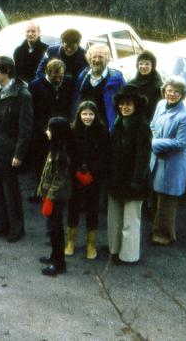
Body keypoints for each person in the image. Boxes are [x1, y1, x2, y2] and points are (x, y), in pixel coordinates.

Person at [0, 56, 33, 243]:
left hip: (9, 148)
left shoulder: (22, 95)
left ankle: (15, 228)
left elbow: (25, 128)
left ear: (7, 72)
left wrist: (19, 154)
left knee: (10, 191)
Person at [107, 84, 152, 264]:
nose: (124, 107)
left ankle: (129, 255)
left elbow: (144, 156)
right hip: (117, 178)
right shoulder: (119, 121)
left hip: (133, 180)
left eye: (128, 104)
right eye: (122, 104)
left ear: (136, 105)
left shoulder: (141, 125)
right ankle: (114, 248)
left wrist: (137, 180)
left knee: (130, 221)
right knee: (115, 218)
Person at [150, 76, 186, 246]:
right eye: (169, 90)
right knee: (157, 196)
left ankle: (166, 236)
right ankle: (157, 229)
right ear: (164, 91)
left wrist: (154, 143)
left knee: (167, 200)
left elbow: (181, 143)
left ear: (182, 94)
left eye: (176, 92)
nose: (172, 94)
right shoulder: (161, 105)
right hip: (159, 158)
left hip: (173, 162)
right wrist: (155, 139)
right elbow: (153, 125)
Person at [66, 101, 110, 259]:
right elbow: (68, 154)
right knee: (73, 208)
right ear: (79, 114)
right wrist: (76, 172)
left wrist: (92, 174)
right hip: (75, 176)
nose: (87, 117)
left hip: (94, 178)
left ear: (95, 115)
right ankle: (71, 241)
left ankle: (91, 244)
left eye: (91, 114)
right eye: (84, 114)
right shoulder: (72, 130)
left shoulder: (102, 131)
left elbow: (105, 156)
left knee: (92, 210)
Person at [28, 59, 74, 197]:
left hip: (63, 128)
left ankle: (59, 190)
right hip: (42, 130)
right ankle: (40, 189)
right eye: (55, 76)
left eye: (61, 76)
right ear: (47, 72)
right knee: (40, 161)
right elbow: (32, 111)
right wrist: (43, 129)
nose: (59, 79)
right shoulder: (35, 86)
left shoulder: (68, 82)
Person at [38, 117, 72, 276]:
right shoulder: (54, 149)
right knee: (51, 229)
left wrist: (50, 198)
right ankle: (54, 256)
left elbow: (60, 179)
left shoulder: (62, 154)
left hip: (56, 198)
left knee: (56, 230)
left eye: (49, 129)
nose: (47, 132)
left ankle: (60, 263)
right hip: (50, 196)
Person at [74, 44, 125, 132]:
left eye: (101, 57)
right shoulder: (82, 76)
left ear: (107, 59)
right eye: (94, 57)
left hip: (106, 127)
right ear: (89, 59)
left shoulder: (117, 79)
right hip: (85, 124)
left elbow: (124, 104)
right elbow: (76, 101)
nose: (97, 60)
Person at [128, 50, 163, 122]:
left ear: (152, 66)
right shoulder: (131, 83)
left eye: (147, 64)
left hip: (150, 123)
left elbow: (159, 109)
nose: (143, 66)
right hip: (132, 122)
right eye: (141, 63)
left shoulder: (158, 85)